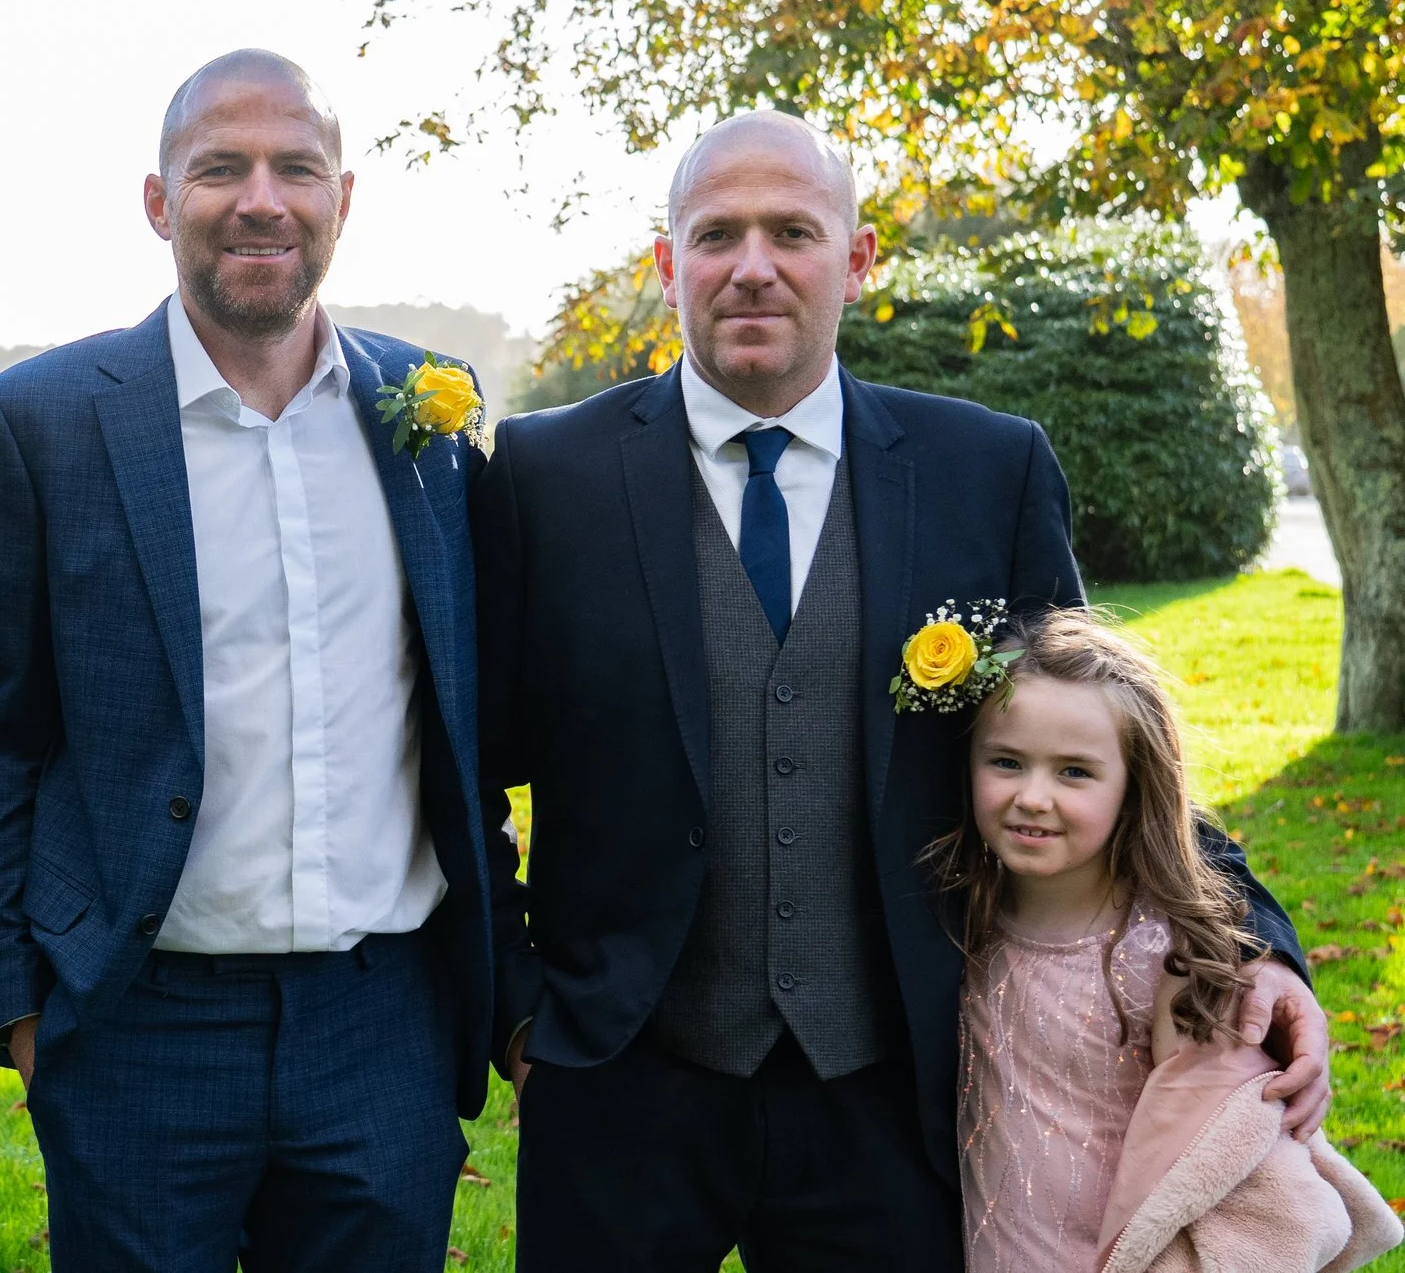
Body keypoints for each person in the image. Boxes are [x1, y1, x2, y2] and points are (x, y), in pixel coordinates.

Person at [473, 109, 1331, 1271]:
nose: (754, 265)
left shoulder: (987, 468)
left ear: (859, 258)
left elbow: (1112, 749)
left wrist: (1261, 941)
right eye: (717, 234)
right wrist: (520, 1008)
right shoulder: (541, 473)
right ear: (669, 263)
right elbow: (461, 773)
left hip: (893, 1079)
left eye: (793, 230)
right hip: (621, 1078)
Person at [0, 49, 504, 1272]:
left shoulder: (432, 410)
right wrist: (20, 998)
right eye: (219, 168)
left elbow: (466, 720)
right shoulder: (42, 420)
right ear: (160, 202)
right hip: (135, 1017)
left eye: (294, 167)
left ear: (341, 198)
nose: (261, 198)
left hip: (382, 1020)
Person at [949, 609, 1399, 1272]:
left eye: (1074, 771)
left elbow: (1253, 1174)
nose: (1033, 796)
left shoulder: (1168, 960)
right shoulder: (964, 926)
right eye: (1007, 761)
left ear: (1134, 789)